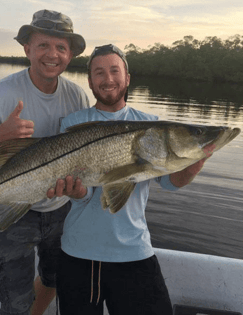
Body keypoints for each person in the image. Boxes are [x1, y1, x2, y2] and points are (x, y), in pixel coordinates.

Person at [47, 44, 215, 315]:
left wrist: (194, 165)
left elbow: (170, 183)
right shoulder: (74, 124)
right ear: (90, 81)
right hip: (79, 253)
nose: (108, 79)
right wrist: (77, 193)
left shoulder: (149, 124)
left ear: (127, 77)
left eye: (115, 71)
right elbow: (83, 192)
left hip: (134, 252)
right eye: (99, 73)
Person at [0, 9, 89, 315]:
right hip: (12, 209)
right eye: (43, 45)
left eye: (61, 47)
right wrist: (1, 134)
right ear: (27, 49)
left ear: (71, 54)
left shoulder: (77, 96)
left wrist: (78, 188)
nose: (52, 54)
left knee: (55, 278)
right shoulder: (1, 95)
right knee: (15, 301)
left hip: (60, 210)